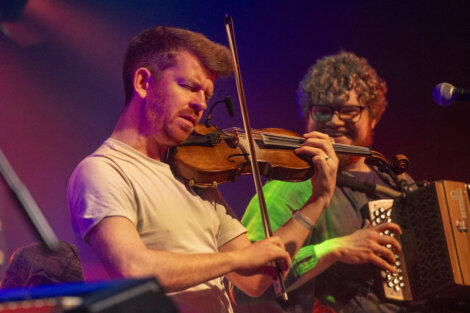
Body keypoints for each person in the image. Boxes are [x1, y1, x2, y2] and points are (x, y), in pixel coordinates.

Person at [67, 26, 339, 313]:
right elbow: (133, 268)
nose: (200, 104)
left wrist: (317, 202)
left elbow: (256, 279)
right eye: (188, 86)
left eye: (206, 94)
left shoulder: (193, 178)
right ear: (144, 83)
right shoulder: (102, 171)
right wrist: (234, 261)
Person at [240, 51, 409, 313]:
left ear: (373, 116)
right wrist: (334, 249)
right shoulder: (292, 185)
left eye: (349, 111)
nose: (334, 121)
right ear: (308, 115)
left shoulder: (397, 184)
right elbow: (245, 284)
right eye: (323, 110)